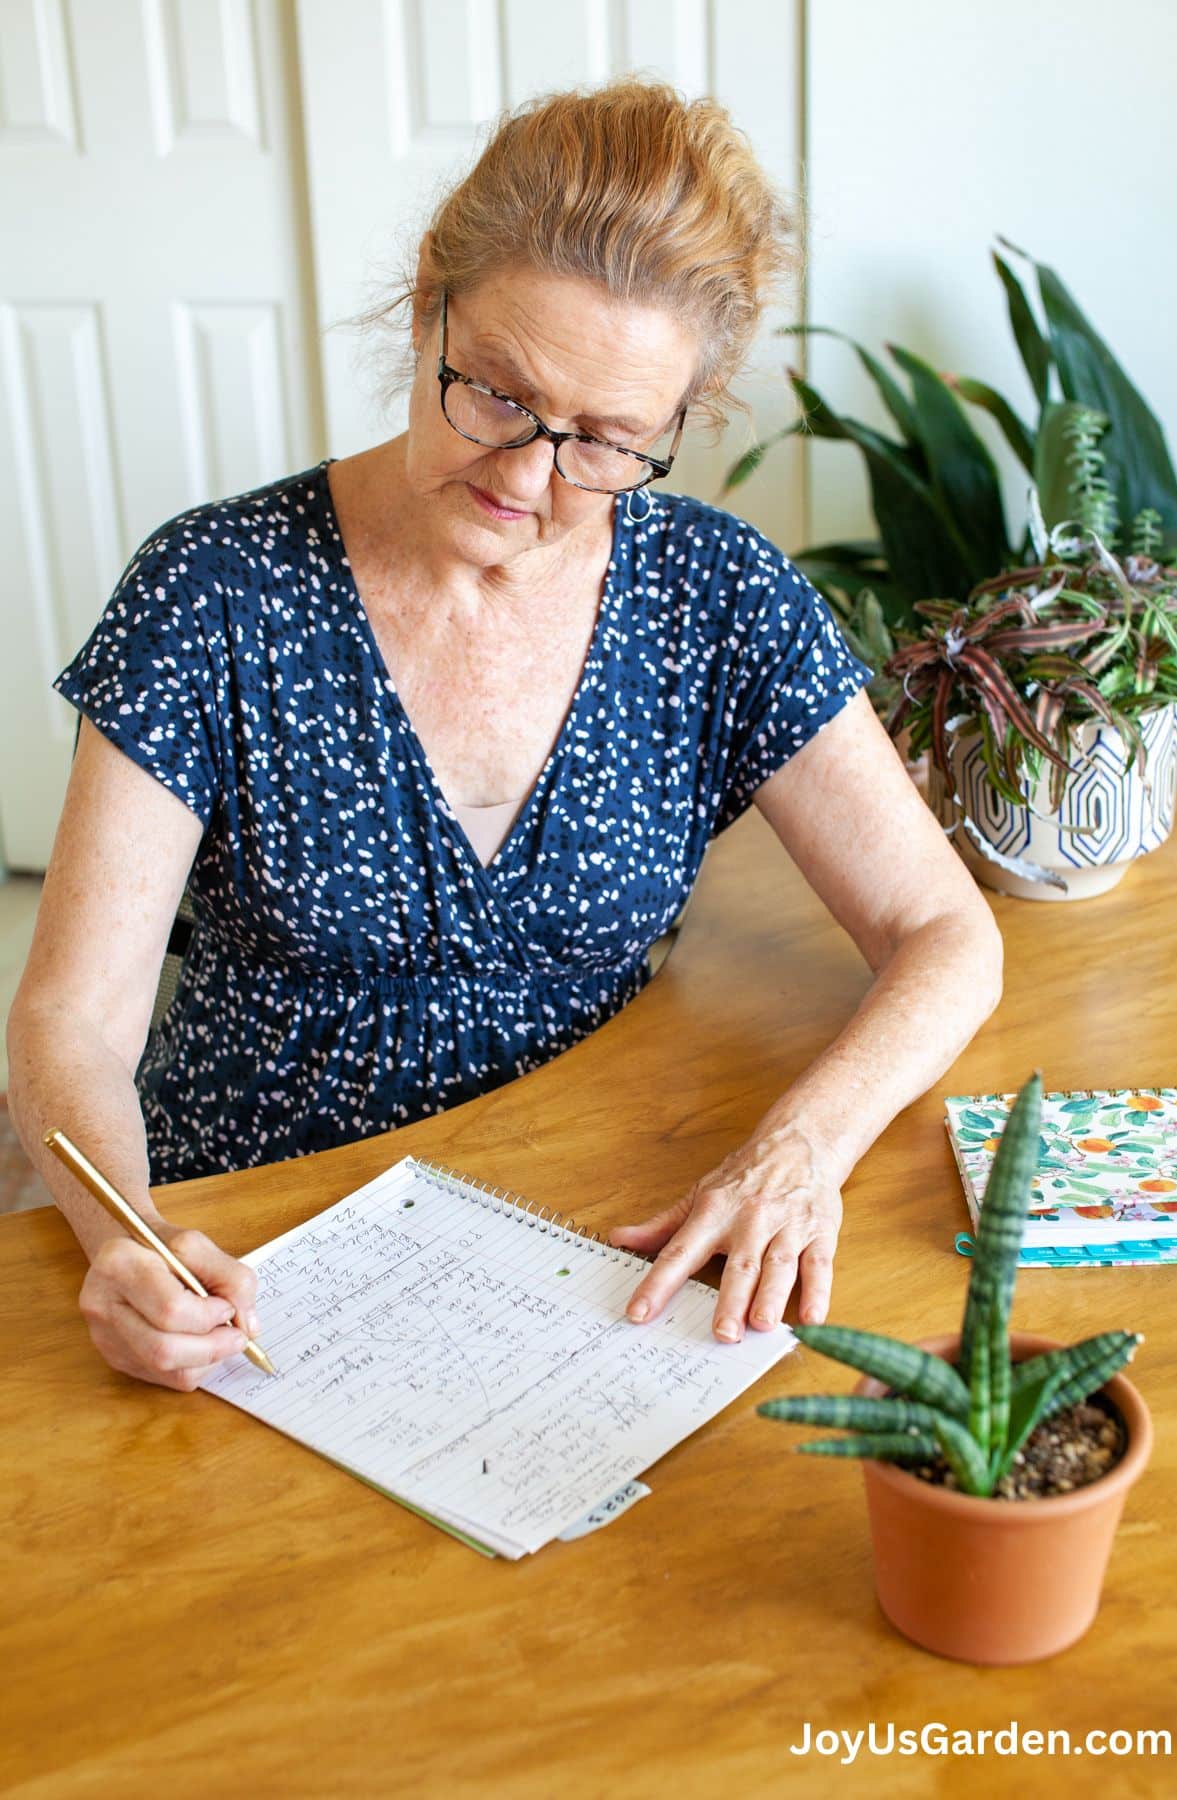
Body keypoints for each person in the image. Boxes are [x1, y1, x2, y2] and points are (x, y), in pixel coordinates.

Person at [7, 79, 1002, 1390]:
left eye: (603, 444)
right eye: (496, 395)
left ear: (680, 423)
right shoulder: (214, 592)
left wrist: (798, 1148)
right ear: (430, 303)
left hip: (575, 1225)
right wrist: (121, 1238)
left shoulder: (716, 598)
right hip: (255, 1231)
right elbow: (71, 1026)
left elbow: (947, 935)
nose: (528, 481)